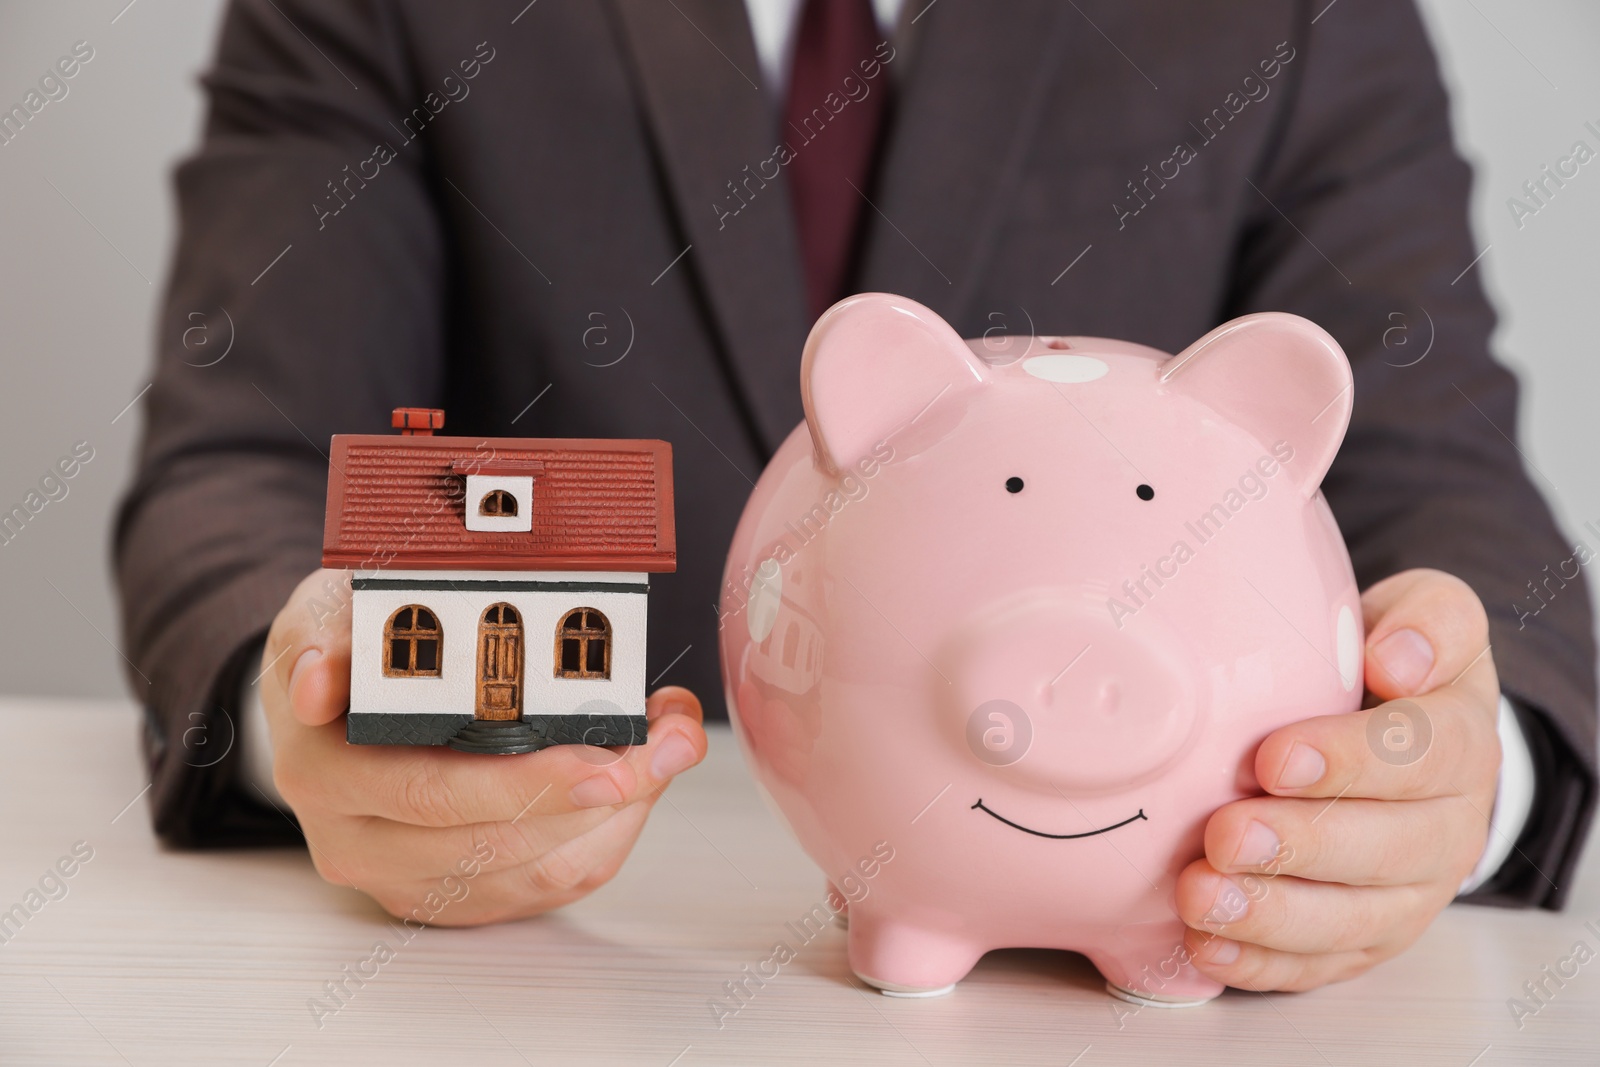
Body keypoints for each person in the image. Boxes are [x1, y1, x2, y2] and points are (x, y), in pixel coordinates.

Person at [115, 0, 1596, 995]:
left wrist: (1455, 773)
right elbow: (239, 465)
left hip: (1165, 921)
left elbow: (1441, 486)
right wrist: (313, 704)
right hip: (577, 967)